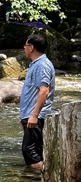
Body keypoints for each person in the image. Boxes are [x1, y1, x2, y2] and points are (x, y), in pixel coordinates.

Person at [20, 32, 55, 172]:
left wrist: (34, 115)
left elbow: (44, 91)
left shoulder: (42, 65)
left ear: (32, 47)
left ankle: (46, 179)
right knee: (37, 151)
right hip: (31, 115)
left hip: (35, 115)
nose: (24, 48)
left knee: (30, 152)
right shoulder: (37, 64)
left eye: (26, 45)